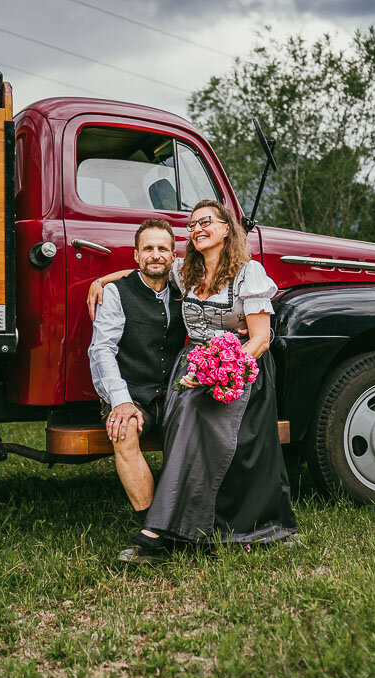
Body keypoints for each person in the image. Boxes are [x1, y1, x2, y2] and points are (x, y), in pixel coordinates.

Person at [88, 200, 297, 564]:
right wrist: (101, 281)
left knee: (198, 416)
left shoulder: (250, 274)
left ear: (227, 229)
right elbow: (147, 272)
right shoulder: (186, 270)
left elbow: (260, 341)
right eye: (192, 224)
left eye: (206, 222)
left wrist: (220, 369)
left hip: (242, 368)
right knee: (184, 413)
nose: (197, 229)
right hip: (193, 367)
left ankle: (163, 529)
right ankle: (177, 524)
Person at [88, 219, 186, 527]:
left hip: (173, 390)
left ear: (173, 256)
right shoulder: (116, 293)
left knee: (204, 428)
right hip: (132, 392)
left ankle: (196, 518)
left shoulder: (183, 287)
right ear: (136, 255)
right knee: (124, 431)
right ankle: (152, 524)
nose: (155, 255)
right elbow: (101, 350)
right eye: (148, 249)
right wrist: (121, 401)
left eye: (162, 249)